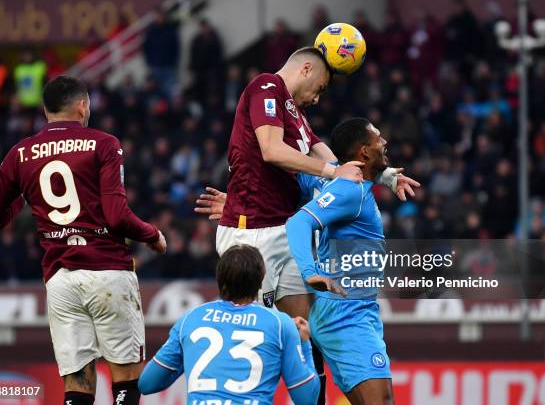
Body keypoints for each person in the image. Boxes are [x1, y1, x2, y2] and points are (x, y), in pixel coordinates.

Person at [195, 46, 418, 404]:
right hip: (252, 235)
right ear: (307, 68)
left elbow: (334, 159)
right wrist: (333, 172)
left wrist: (385, 175)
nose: (318, 97)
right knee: (257, 338)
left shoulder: (295, 114)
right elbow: (271, 150)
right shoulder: (266, 87)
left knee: (305, 334)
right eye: (321, 87)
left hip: (282, 229)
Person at [0, 76, 167, 405]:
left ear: (45, 110)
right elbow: (117, 216)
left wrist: (24, 196)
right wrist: (152, 235)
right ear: (82, 106)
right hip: (106, 270)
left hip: (60, 279)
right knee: (125, 380)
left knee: (77, 386)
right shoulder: (103, 143)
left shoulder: (19, 154)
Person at [286, 118, 401, 404]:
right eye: (377, 139)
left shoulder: (338, 182)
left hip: (353, 311)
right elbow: (298, 224)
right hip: (347, 316)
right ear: (363, 152)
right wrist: (310, 271)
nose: (384, 142)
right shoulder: (349, 190)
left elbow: (300, 173)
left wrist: (239, 204)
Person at [138, 244, 320, 405]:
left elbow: (147, 383)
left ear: (219, 278)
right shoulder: (280, 323)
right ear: (261, 279)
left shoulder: (191, 318)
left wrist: (187, 359)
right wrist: (304, 344)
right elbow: (307, 399)